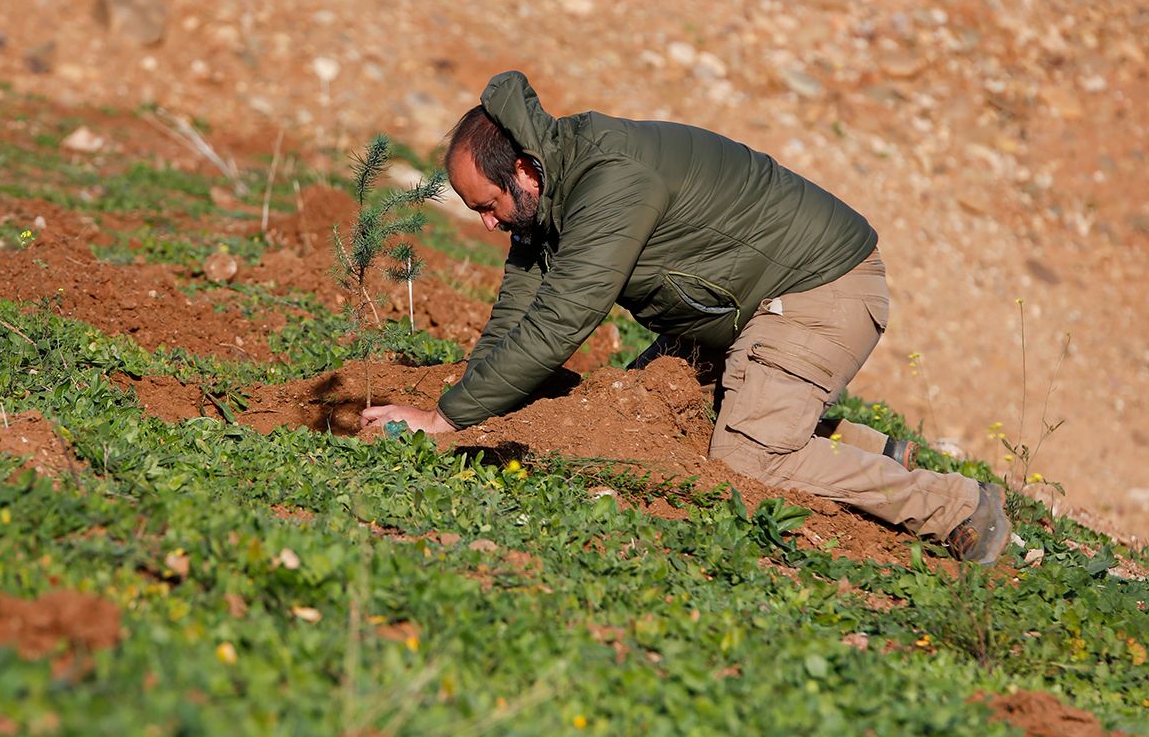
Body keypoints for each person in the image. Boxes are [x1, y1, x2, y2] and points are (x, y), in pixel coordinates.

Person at [361, 70, 1011, 564]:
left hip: (818, 291)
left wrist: (445, 417)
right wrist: (464, 407)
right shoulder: (548, 197)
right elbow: (516, 312)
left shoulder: (610, 181)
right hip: (747, 306)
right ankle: (873, 451)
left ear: (524, 172)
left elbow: (562, 317)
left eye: (487, 204)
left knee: (748, 459)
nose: (485, 222)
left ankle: (958, 507)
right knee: (644, 407)